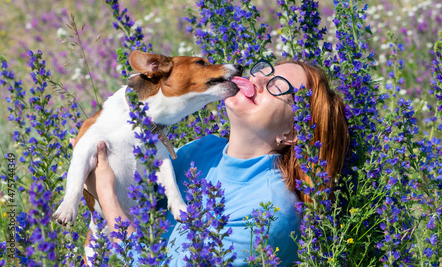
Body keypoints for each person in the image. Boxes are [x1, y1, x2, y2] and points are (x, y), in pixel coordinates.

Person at [84, 59, 349, 265]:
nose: (255, 79)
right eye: (262, 70)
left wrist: (108, 198)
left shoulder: (269, 212)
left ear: (292, 133)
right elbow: (133, 204)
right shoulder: (203, 150)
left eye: (277, 86)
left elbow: (116, 210)